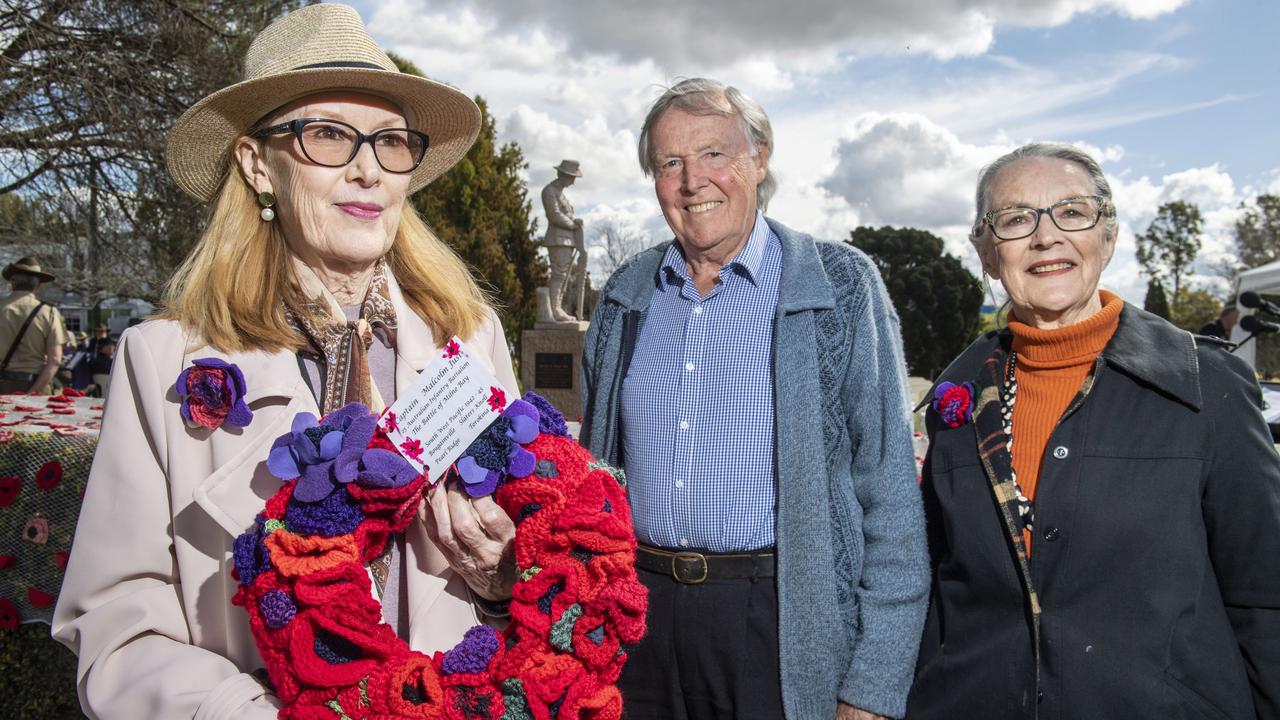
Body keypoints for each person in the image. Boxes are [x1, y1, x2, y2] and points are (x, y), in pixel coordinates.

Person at [52, 5, 520, 718]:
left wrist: (502, 579)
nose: (368, 169)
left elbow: (541, 581)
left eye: (391, 141)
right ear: (256, 164)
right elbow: (117, 628)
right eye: (328, 135)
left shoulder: (471, 337)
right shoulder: (163, 362)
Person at [581, 78, 929, 720]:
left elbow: (890, 498)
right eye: (670, 163)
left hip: (779, 622)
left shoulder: (839, 286)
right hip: (637, 625)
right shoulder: (625, 299)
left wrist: (872, 686)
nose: (693, 181)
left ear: (759, 159)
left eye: (714, 154)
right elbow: (591, 483)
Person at [907, 143, 1280, 719]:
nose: (1046, 235)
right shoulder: (955, 402)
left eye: (1072, 212)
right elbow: (937, 590)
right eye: (1015, 219)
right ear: (985, 252)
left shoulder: (1208, 386)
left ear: (1107, 236)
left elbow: (1264, 597)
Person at [0, 256, 69, 394]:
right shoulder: (49, 313)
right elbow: (55, 360)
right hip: (37, 384)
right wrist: (34, 392)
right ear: (37, 286)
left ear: (12, 283)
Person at [540, 159, 585, 321]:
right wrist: (572, 224)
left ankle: (557, 308)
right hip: (557, 239)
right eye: (572, 177)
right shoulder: (549, 191)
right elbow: (554, 215)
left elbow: (565, 214)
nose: (573, 182)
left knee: (563, 275)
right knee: (559, 274)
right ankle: (554, 309)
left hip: (567, 240)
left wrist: (575, 221)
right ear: (565, 175)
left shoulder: (560, 193)